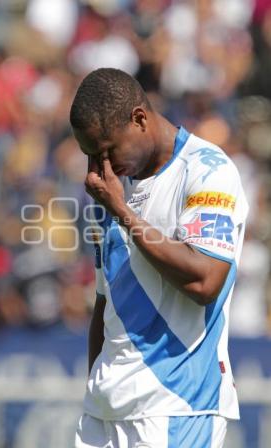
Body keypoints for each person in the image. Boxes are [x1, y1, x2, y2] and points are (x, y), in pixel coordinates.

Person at [69, 68, 248, 448]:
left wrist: (123, 213)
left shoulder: (206, 170)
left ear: (139, 119)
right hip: (104, 411)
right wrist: (96, 388)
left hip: (176, 406)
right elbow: (106, 302)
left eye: (106, 150)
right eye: (89, 155)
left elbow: (206, 280)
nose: (97, 169)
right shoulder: (109, 189)